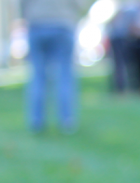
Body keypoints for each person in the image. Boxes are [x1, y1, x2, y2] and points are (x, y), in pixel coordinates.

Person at [20, 0, 92, 133]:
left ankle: (37, 120)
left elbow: (22, 4)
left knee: (38, 75)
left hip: (37, 24)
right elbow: (80, 4)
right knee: (65, 75)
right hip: (63, 24)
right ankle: (67, 120)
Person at [107, 0, 140, 93]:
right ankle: (121, 88)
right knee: (121, 64)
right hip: (122, 38)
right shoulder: (131, 8)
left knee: (121, 64)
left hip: (119, 37)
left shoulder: (124, 7)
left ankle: (123, 87)